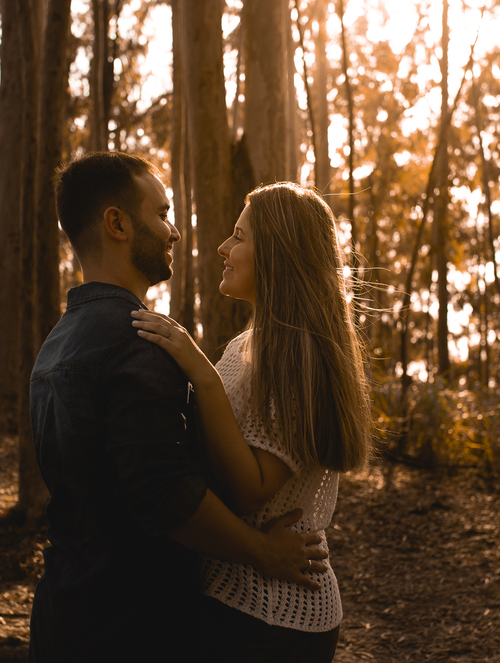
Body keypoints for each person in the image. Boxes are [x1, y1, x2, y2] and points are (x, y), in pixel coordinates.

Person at [28, 154, 329, 662]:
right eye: (162, 213)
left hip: (63, 611)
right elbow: (164, 493)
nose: (174, 232)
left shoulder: (53, 346)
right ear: (117, 224)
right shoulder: (140, 341)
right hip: (132, 625)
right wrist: (261, 552)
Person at [131, 182, 373, 663]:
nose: (223, 247)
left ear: (278, 254)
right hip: (240, 601)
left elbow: (250, 488)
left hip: (276, 617)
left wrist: (200, 373)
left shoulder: (296, 354)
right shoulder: (249, 346)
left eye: (239, 237)